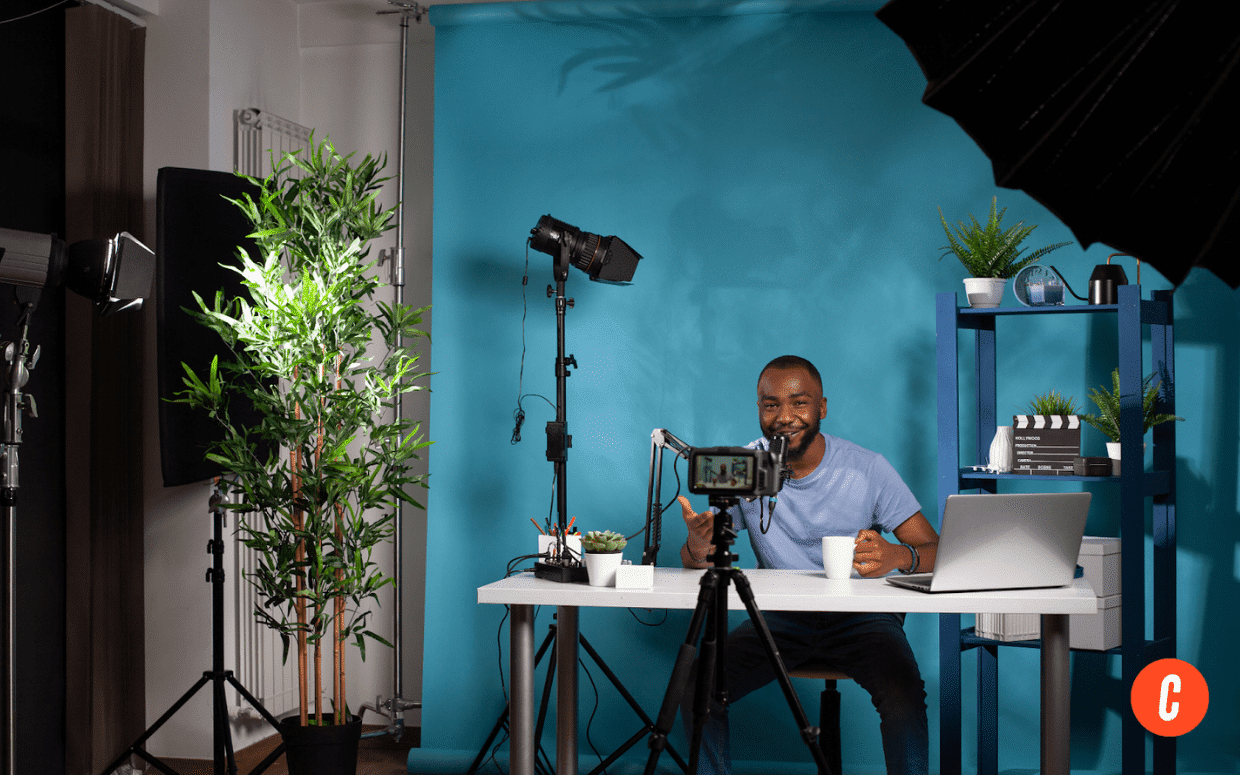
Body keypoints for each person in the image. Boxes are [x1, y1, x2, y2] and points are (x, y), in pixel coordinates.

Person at [678, 354, 939, 775]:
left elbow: (936, 548)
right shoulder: (748, 466)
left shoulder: (868, 468)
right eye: (770, 405)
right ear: (759, 410)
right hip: (778, 620)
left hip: (863, 619)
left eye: (799, 403)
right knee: (697, 686)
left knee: (905, 694)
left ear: (821, 407)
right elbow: (698, 562)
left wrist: (896, 555)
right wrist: (696, 544)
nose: (785, 417)